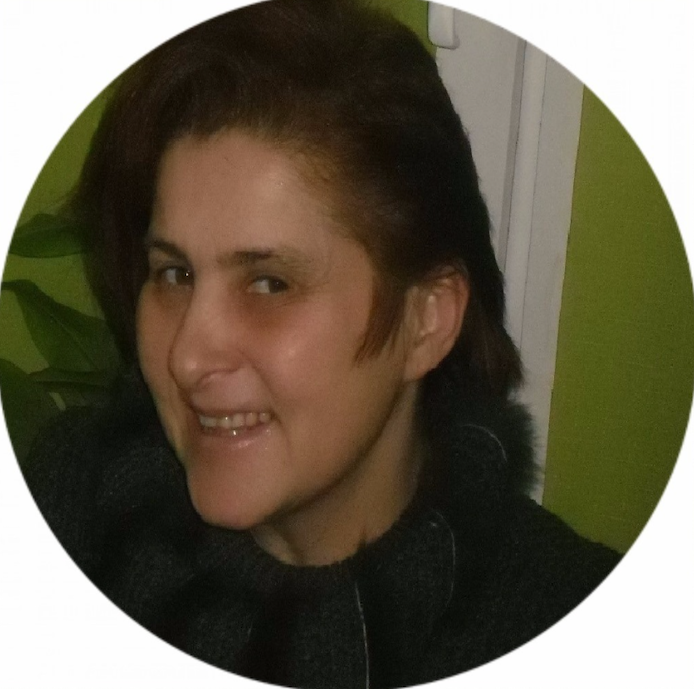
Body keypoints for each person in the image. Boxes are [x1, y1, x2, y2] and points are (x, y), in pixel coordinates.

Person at [22, 1, 619, 686]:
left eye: (269, 283)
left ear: (426, 321)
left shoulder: (577, 629)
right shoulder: (69, 511)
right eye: (175, 274)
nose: (186, 357)